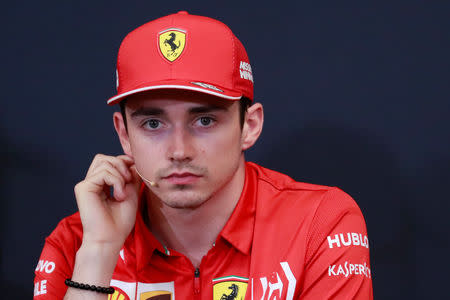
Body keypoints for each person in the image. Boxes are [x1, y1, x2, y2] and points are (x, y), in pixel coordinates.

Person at [34, 11, 373, 300]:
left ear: (250, 126)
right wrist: (99, 252)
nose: (179, 151)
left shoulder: (320, 222)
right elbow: (91, 249)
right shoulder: (77, 241)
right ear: (124, 134)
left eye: (205, 120)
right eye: (153, 123)